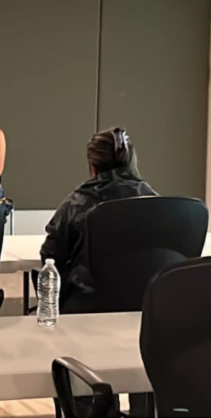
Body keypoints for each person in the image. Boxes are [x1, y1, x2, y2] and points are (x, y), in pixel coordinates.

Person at [40, 128, 157, 312]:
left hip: (88, 307)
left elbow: (51, 256)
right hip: (147, 305)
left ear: (92, 166)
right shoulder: (155, 201)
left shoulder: (77, 203)